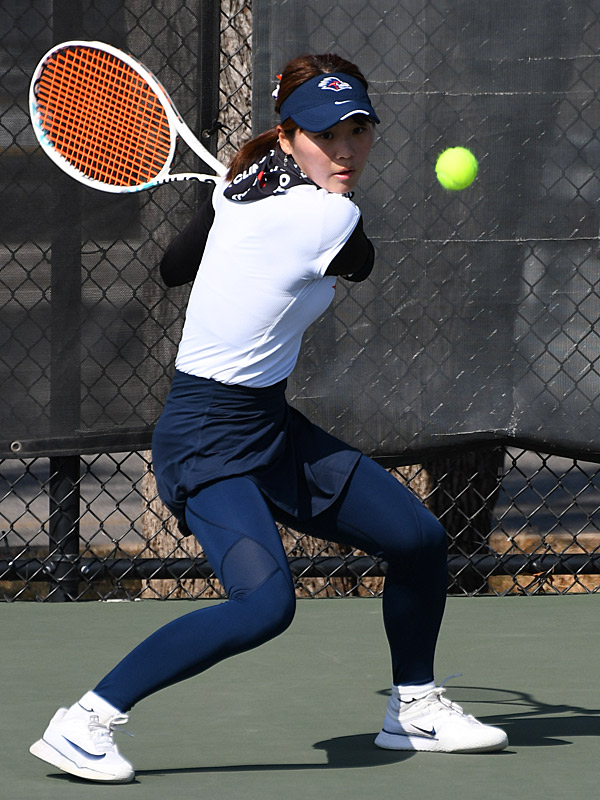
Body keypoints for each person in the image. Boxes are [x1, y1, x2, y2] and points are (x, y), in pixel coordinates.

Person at [29, 53, 508, 784]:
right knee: (265, 605)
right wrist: (252, 197)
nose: (345, 151)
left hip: (266, 424)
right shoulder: (326, 215)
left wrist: (233, 195)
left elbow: (173, 263)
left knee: (417, 539)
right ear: (288, 138)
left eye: (358, 132)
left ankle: (412, 707)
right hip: (204, 435)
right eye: (325, 136)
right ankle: (85, 721)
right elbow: (363, 263)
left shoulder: (243, 192)